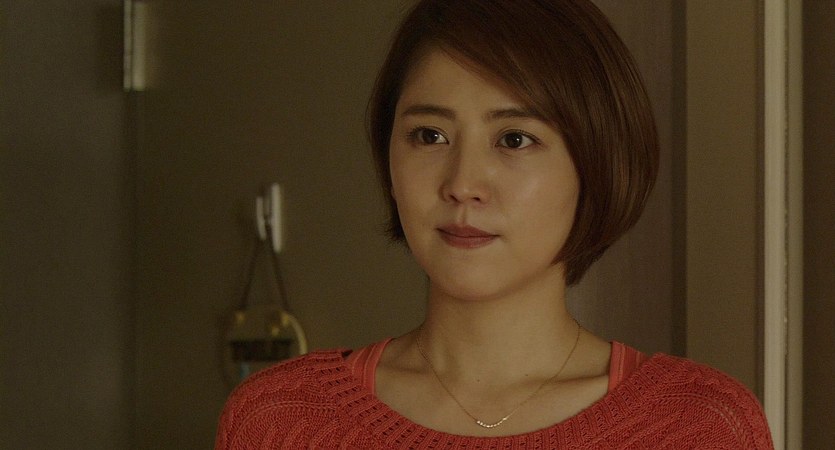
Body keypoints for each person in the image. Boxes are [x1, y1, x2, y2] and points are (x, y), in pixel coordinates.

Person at [215, 0, 774, 448]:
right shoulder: (281, 420)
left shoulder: (698, 428)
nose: (462, 183)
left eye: (514, 139)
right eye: (430, 135)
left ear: (596, 163)